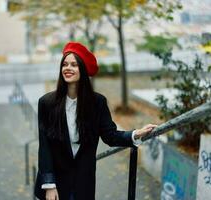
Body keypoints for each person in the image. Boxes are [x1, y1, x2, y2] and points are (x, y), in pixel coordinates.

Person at [34, 42, 157, 200]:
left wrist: (135, 134)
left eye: (74, 65)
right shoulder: (46, 103)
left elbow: (110, 136)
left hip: (82, 184)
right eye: (64, 64)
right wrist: (50, 185)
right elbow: (44, 147)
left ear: (83, 70)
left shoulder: (97, 103)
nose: (68, 68)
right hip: (53, 187)